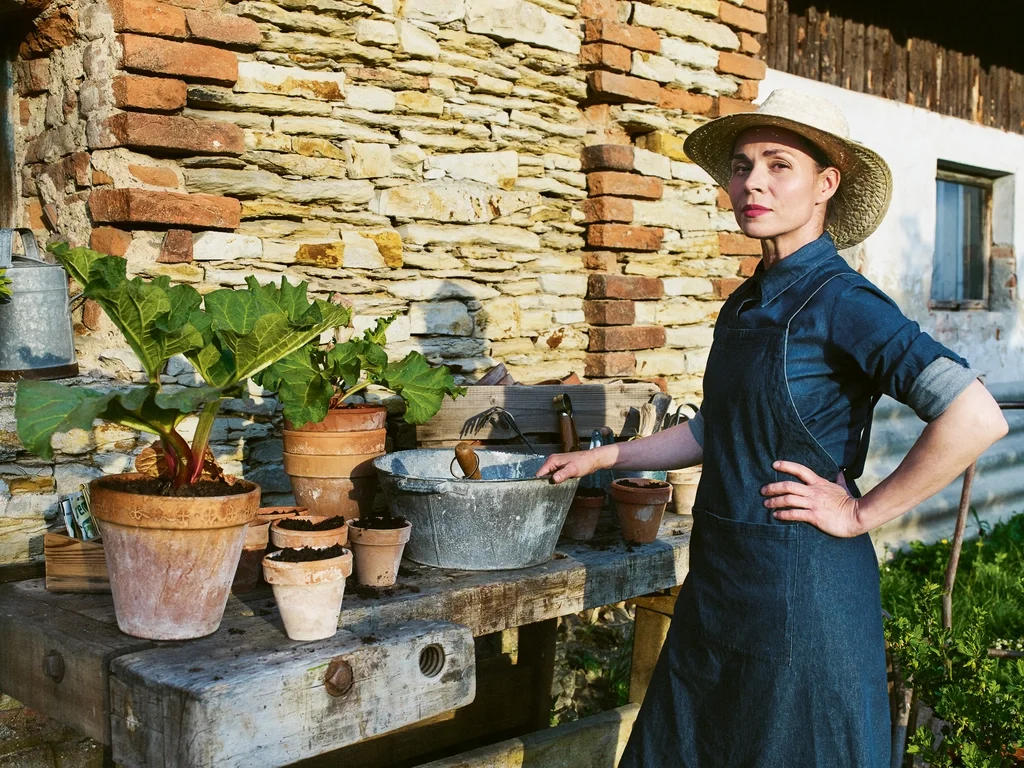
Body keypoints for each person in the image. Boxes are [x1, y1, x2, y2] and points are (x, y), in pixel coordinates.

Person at [536, 89, 1009, 766]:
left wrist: (860, 512)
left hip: (805, 595)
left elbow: (974, 415)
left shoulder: (844, 301)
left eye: (778, 164)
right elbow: (717, 432)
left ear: (826, 185)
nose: (752, 182)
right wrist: (604, 458)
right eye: (742, 165)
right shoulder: (746, 303)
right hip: (722, 587)